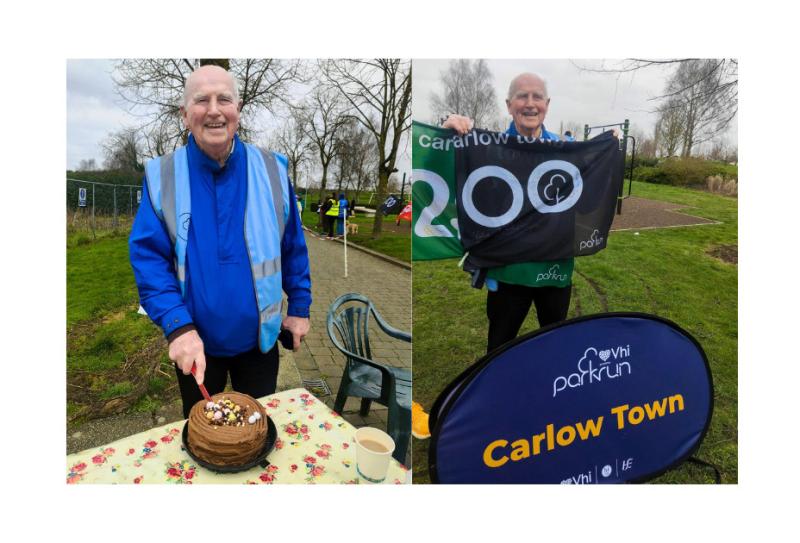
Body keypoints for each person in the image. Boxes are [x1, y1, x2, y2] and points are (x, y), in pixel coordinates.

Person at [129, 65, 311, 418]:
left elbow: (293, 246)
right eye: (201, 100)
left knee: (256, 433)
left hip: (259, 345)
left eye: (223, 99)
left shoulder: (272, 170)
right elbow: (149, 263)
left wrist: (300, 308)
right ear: (185, 115)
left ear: (237, 110)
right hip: (194, 344)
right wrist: (177, 328)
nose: (213, 109)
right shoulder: (161, 176)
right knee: (202, 438)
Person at [442, 73, 575, 354]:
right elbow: (442, 171)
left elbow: (589, 196)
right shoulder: (488, 148)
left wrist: (610, 147)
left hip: (554, 270)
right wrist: (446, 130)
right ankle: (496, 394)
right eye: (522, 96)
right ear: (509, 104)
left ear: (547, 104)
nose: (530, 103)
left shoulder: (566, 151)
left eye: (537, 96)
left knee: (555, 343)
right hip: (508, 271)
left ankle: (555, 391)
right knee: (499, 345)